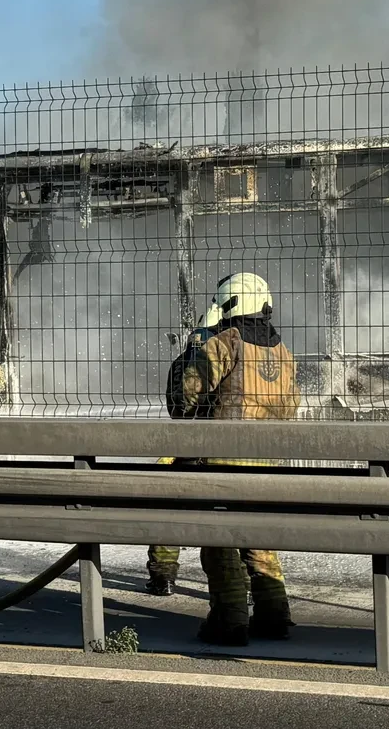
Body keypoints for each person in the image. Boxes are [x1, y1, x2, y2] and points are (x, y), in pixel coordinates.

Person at [164, 272, 301, 647]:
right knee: (259, 541)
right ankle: (274, 616)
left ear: (227, 303)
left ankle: (230, 621)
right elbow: (291, 407)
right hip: (268, 467)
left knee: (220, 544)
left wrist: (195, 345)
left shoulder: (226, 343)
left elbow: (184, 399)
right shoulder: (283, 352)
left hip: (223, 464)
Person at [145, 301, 224, 596]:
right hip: (220, 453)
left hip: (184, 450)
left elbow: (174, 407)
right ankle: (241, 584)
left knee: (169, 511)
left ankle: (163, 577)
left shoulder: (180, 361)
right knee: (227, 518)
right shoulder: (224, 359)